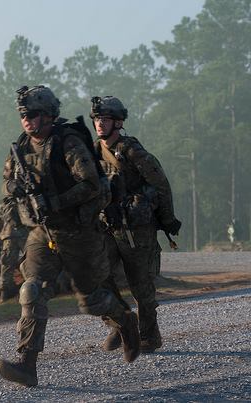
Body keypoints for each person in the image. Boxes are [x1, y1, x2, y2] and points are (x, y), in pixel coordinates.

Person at [0, 86, 141, 387]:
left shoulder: (68, 143)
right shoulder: (21, 147)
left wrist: (56, 202)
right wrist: (15, 189)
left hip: (78, 232)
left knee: (92, 301)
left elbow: (91, 184)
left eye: (32, 114)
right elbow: (6, 183)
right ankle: (27, 364)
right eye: (23, 115)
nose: (26, 120)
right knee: (32, 291)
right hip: (43, 232)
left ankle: (126, 321)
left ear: (48, 115)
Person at [90, 96, 181, 353]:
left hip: (137, 231)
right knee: (97, 278)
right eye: (97, 119)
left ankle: (150, 337)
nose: (99, 124)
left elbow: (160, 184)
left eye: (104, 119)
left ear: (118, 123)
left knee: (141, 287)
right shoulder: (93, 152)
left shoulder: (131, 151)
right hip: (108, 227)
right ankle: (120, 324)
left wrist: (168, 219)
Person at [0, 196, 28, 301]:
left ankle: (4, 293)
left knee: (7, 265)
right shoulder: (25, 199)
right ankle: (32, 287)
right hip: (25, 235)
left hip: (8, 236)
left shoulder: (3, 205)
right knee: (30, 261)